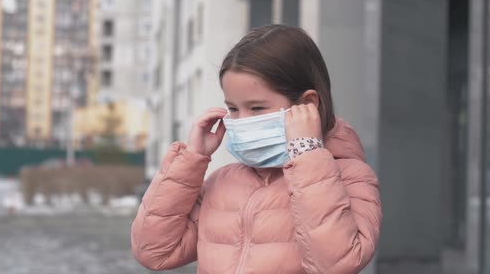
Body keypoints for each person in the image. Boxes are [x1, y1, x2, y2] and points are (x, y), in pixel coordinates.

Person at [131, 25, 382, 274]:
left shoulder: (350, 176)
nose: (241, 121)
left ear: (307, 104)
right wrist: (190, 161)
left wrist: (307, 156)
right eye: (233, 108)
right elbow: (154, 251)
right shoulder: (223, 182)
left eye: (257, 108)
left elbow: (337, 264)